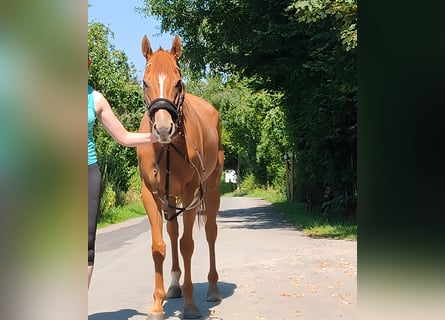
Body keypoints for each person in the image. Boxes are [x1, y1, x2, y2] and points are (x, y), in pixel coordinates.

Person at [88, 55, 157, 289]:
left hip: (87, 174)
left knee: (84, 247)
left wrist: (157, 137)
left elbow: (124, 137)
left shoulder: (95, 99)